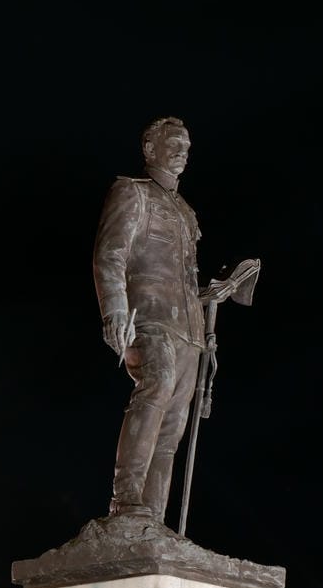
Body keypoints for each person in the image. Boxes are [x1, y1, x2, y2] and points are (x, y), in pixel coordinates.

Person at [93, 116, 242, 525]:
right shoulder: (132, 192)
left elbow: (182, 275)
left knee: (173, 427)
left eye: (187, 146)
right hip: (149, 318)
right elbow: (111, 253)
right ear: (149, 147)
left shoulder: (186, 211)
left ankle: (152, 519)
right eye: (174, 143)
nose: (182, 152)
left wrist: (208, 298)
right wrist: (115, 309)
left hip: (189, 329)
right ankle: (125, 501)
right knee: (153, 390)